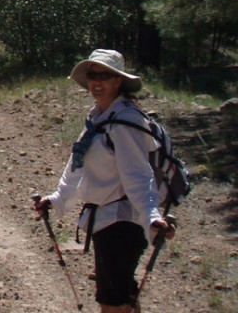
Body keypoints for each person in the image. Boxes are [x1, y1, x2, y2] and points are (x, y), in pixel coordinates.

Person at [33, 49, 175, 313]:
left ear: (118, 80)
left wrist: (151, 216)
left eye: (104, 76)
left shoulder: (123, 123)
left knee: (112, 303)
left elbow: (138, 176)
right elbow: (77, 165)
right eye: (92, 75)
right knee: (120, 295)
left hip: (122, 223)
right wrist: (57, 199)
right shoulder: (100, 117)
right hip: (109, 221)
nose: (96, 83)